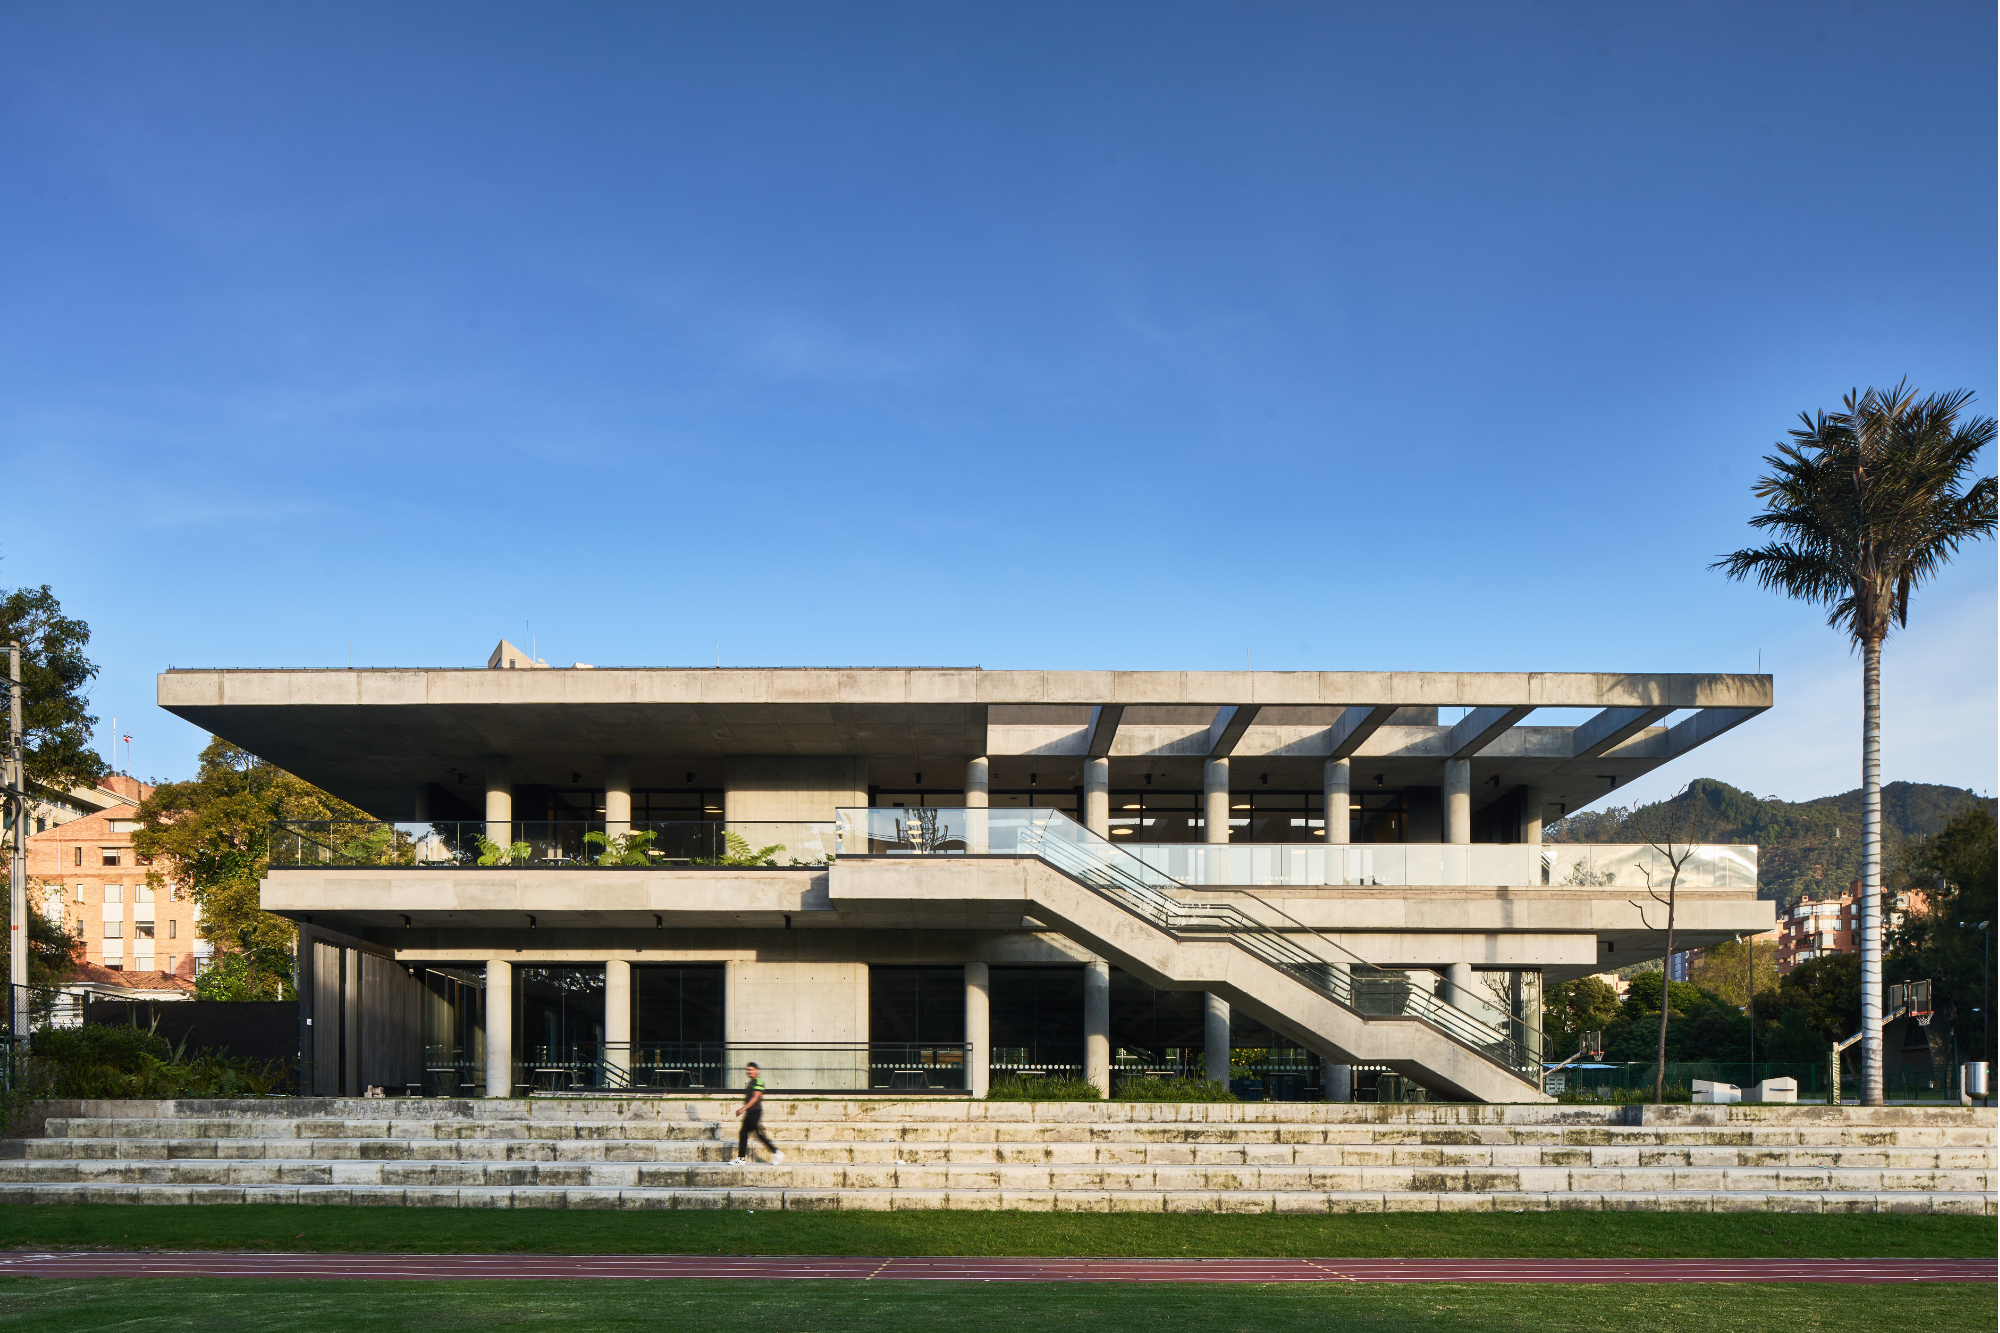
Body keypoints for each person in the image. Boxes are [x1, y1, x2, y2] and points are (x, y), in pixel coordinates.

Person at [730, 1061, 783, 1165]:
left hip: (754, 1111)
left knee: (756, 1133)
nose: (749, 1072)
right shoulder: (751, 1082)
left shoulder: (758, 1081)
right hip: (751, 1112)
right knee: (744, 1133)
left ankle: (776, 1152)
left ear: (756, 1070)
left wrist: (743, 1109)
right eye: (748, 1070)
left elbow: (755, 1098)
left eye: (751, 1070)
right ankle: (741, 1158)